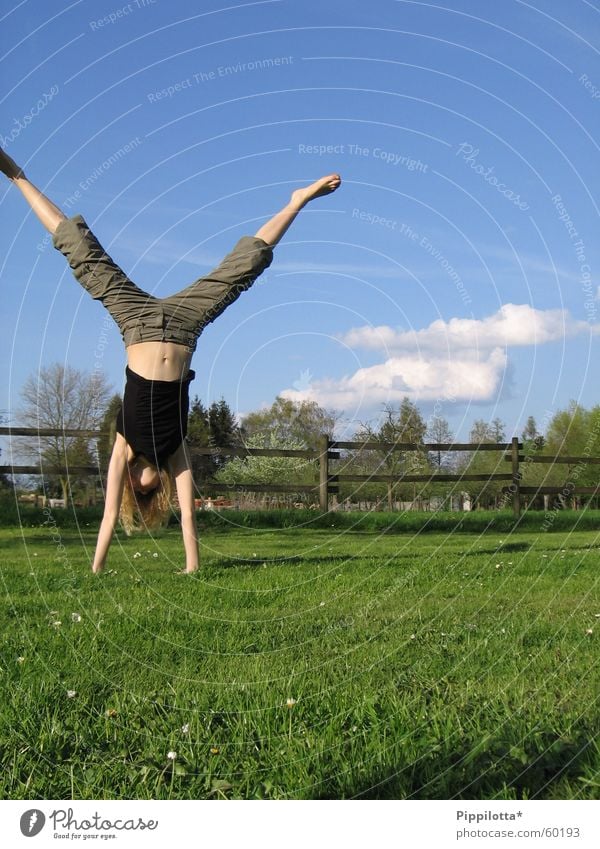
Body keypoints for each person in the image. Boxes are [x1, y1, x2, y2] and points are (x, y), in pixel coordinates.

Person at [1, 147, 341, 574]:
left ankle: (15, 175)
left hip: (136, 322)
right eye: (153, 487)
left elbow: (107, 517)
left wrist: (96, 569)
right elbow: (190, 515)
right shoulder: (174, 451)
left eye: (143, 488)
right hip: (184, 326)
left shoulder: (124, 447)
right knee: (244, 267)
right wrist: (193, 567)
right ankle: (297, 201)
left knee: (81, 252)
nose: (150, 482)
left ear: (131, 485)